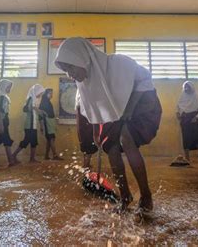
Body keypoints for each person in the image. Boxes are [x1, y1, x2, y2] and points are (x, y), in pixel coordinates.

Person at [55, 37, 162, 217]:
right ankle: (125, 196)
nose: (69, 75)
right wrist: (98, 133)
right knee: (111, 147)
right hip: (115, 111)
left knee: (126, 138)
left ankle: (146, 195)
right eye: (66, 70)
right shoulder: (83, 84)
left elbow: (144, 79)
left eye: (70, 68)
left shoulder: (118, 63)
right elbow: (94, 110)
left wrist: (129, 109)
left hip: (140, 103)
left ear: (82, 59)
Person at [12, 84, 46, 163]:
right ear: (36, 92)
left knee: (34, 141)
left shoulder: (36, 101)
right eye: (40, 93)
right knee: (26, 141)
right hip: (29, 124)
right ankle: (14, 155)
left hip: (33, 124)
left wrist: (40, 123)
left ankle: (32, 158)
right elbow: (27, 109)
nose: (40, 95)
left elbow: (36, 112)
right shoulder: (30, 99)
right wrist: (38, 110)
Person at [176, 81, 198, 162]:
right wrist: (178, 113)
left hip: (195, 119)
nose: (186, 89)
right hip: (185, 119)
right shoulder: (182, 96)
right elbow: (178, 106)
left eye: (188, 87)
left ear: (192, 88)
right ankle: (187, 158)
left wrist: (196, 117)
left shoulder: (197, 97)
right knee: (186, 138)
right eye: (185, 87)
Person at [75, 91, 97, 169]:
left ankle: (86, 163)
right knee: (88, 143)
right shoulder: (84, 104)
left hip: (84, 125)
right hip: (86, 125)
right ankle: (86, 164)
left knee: (86, 143)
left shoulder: (79, 99)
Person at [39, 88, 62, 160]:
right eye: (50, 93)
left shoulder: (47, 102)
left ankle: (46, 155)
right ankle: (55, 155)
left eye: (52, 93)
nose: (51, 95)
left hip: (50, 122)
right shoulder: (44, 102)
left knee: (50, 139)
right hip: (47, 122)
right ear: (46, 94)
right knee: (51, 138)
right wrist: (41, 125)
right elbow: (40, 115)